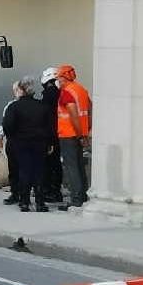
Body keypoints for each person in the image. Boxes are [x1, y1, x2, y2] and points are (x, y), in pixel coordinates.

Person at [2, 76, 53, 212]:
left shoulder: (14, 107)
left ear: (22, 90)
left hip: (20, 143)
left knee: (24, 171)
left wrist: (12, 137)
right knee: (39, 172)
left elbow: (7, 125)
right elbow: (50, 127)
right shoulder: (42, 107)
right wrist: (49, 142)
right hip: (39, 143)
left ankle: (24, 202)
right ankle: (40, 202)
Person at [55, 64, 91, 209]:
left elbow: (73, 114)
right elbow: (90, 108)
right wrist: (87, 130)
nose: (58, 80)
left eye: (59, 77)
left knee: (72, 167)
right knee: (79, 165)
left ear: (64, 77)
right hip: (79, 133)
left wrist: (80, 134)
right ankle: (83, 195)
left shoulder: (66, 93)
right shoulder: (81, 90)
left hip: (69, 134)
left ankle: (76, 199)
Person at [40, 67, 63, 203]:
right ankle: (54, 190)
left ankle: (50, 191)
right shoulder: (60, 94)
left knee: (50, 165)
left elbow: (48, 119)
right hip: (59, 133)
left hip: (51, 135)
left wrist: (49, 141)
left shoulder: (49, 96)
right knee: (55, 165)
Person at [0, 91, 19, 205]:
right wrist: (0, 138)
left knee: (16, 169)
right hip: (18, 141)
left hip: (16, 141)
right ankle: (18, 193)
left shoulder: (11, 106)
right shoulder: (10, 106)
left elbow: (5, 123)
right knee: (15, 169)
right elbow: (4, 123)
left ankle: (18, 194)